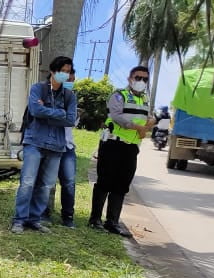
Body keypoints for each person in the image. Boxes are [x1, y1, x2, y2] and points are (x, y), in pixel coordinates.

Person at [12, 56, 78, 234]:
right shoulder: (38, 89)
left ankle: (34, 219)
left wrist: (48, 113)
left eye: (67, 72)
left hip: (56, 146)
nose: (65, 74)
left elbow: (70, 120)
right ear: (52, 71)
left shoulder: (69, 95)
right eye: (62, 71)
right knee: (27, 182)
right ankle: (19, 220)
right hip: (34, 142)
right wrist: (59, 113)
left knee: (46, 185)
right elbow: (35, 110)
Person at [89, 65, 151, 236]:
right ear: (130, 78)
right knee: (105, 182)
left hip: (131, 148)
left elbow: (146, 118)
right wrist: (136, 127)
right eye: (138, 77)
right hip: (112, 145)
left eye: (145, 79)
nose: (141, 81)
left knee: (122, 184)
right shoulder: (119, 95)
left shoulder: (146, 99)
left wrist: (149, 124)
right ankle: (95, 219)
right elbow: (116, 116)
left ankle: (112, 222)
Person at [42, 68, 79, 227]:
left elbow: (71, 120)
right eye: (67, 80)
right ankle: (44, 213)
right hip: (49, 146)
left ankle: (68, 217)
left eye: (72, 80)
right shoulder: (44, 96)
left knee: (69, 183)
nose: (70, 83)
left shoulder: (71, 100)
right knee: (47, 183)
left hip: (67, 147)